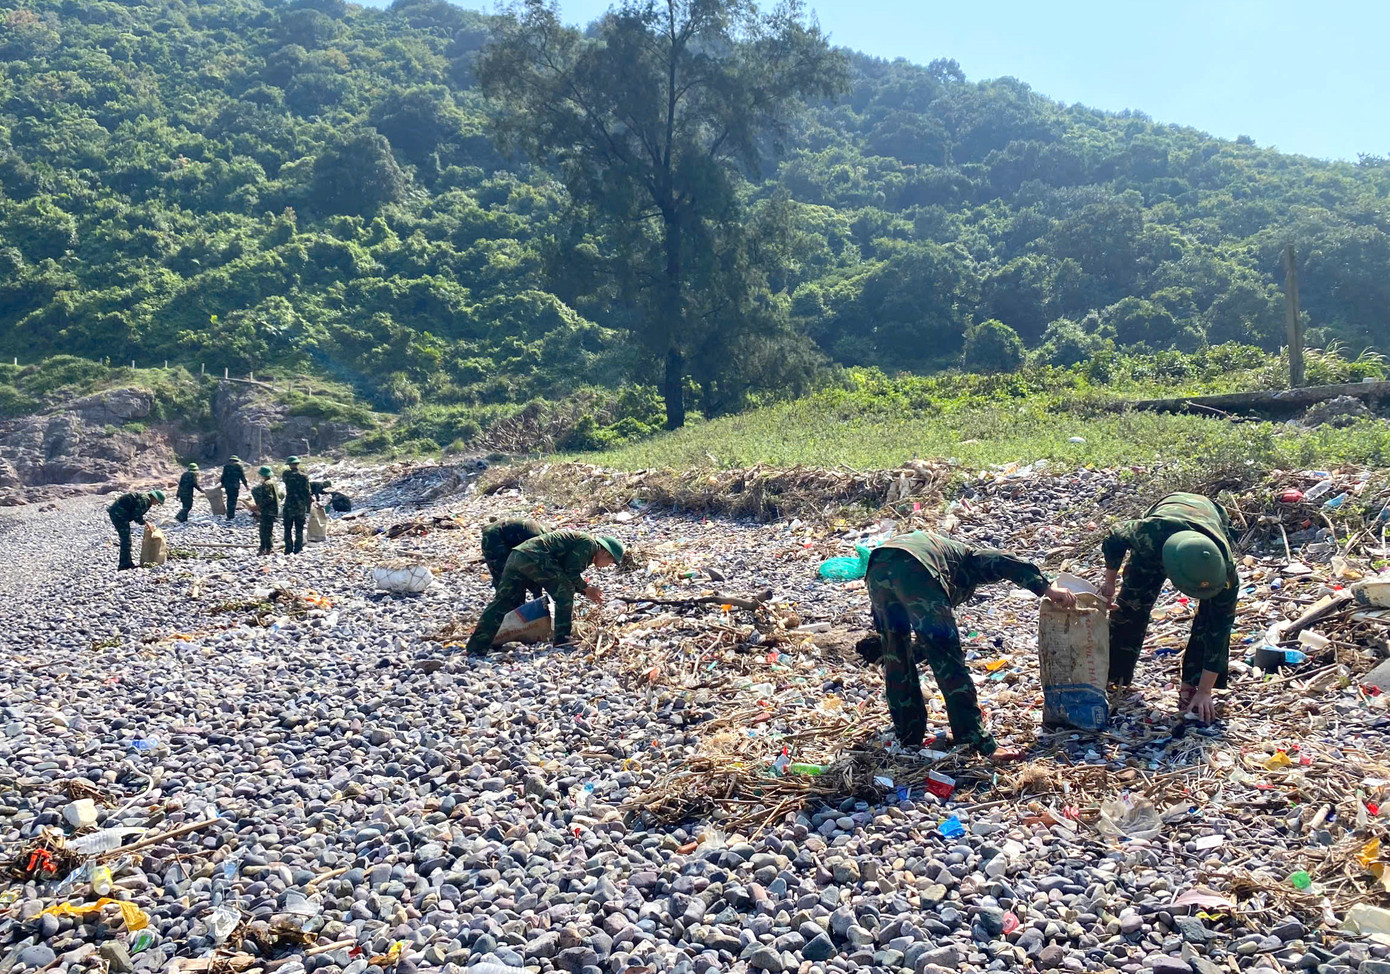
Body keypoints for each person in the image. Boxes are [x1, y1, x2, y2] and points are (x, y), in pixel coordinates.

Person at [862, 530, 1076, 762]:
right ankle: (976, 741)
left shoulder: (945, 555)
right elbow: (1006, 561)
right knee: (948, 661)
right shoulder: (970, 558)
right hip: (916, 567)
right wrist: (1047, 589)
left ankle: (907, 734)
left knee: (896, 656)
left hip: (877, 568)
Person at [1098, 492, 1239, 723]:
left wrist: (1205, 691)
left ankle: (1192, 687)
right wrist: (1109, 583)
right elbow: (1114, 538)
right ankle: (1115, 675)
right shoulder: (1149, 535)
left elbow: (1219, 631)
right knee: (1131, 607)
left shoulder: (1224, 572)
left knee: (1209, 620)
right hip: (1167, 522)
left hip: (1209, 520)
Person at [464, 531, 624, 656]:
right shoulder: (589, 545)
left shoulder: (585, 546)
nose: (607, 565)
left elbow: (562, 572)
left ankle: (476, 647)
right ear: (605, 553)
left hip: (517, 556)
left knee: (502, 601)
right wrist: (587, 589)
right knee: (565, 592)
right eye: (610, 562)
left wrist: (584, 589)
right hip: (533, 558)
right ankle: (562, 639)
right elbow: (570, 573)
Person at [480, 517, 550, 600]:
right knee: (505, 577)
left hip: (512, 536)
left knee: (527, 570)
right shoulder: (544, 544)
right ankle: (503, 606)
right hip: (494, 537)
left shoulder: (550, 540)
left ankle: (527, 603)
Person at [108, 489, 164, 571]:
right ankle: (124, 565)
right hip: (119, 515)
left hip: (119, 513)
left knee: (126, 540)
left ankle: (127, 563)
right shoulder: (145, 500)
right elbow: (136, 515)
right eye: (158, 502)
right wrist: (144, 523)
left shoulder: (145, 497)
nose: (156, 504)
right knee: (126, 541)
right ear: (155, 498)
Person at [281, 456, 311, 555]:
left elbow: (285, 482)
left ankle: (288, 549)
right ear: (298, 464)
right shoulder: (304, 476)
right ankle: (298, 548)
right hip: (300, 505)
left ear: (289, 465)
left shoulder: (286, 475)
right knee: (299, 528)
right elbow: (307, 492)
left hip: (289, 504)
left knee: (287, 528)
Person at [251, 465, 279, 556]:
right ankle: (266, 548)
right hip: (272, 511)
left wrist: (258, 506)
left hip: (268, 511)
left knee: (264, 530)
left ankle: (266, 548)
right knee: (267, 530)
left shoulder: (267, 484)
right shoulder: (273, 483)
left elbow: (269, 498)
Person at [220, 455, 248, 522]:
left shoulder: (226, 467)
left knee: (229, 499)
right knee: (234, 500)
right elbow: (242, 477)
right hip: (235, 486)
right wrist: (246, 486)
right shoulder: (238, 466)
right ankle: (231, 515)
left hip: (228, 486)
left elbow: (223, 476)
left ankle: (229, 515)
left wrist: (222, 484)